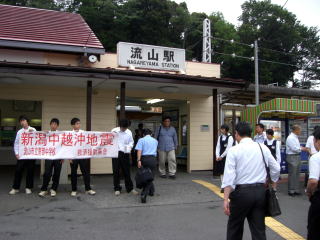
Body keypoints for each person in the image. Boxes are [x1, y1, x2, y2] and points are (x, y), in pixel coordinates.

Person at [222, 122, 280, 240]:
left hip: (241, 194)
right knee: (259, 230)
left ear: (237, 134)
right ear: (250, 133)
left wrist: (225, 199)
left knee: (235, 228)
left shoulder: (234, 150)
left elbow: (229, 177)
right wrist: (272, 183)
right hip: (260, 192)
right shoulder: (262, 147)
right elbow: (276, 168)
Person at [9, 115, 36, 195]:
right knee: (18, 171)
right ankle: (15, 188)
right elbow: (16, 143)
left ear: (27, 121)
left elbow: (37, 140)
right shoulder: (19, 132)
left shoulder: (33, 129)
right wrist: (16, 153)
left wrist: (33, 133)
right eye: (21, 121)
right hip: (22, 155)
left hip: (31, 155)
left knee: (30, 171)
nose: (22, 122)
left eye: (24, 120)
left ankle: (28, 188)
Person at [69, 118, 96, 197]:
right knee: (73, 173)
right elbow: (68, 147)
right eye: (77, 123)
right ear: (73, 125)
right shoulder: (69, 134)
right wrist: (69, 157)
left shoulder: (83, 133)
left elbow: (88, 143)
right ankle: (74, 190)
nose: (79, 125)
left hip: (82, 156)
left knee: (85, 173)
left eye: (79, 123)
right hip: (73, 156)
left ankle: (88, 189)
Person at [111, 119, 138, 196]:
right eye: (123, 127)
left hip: (125, 153)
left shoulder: (129, 132)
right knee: (116, 171)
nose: (124, 129)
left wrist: (128, 148)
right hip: (115, 153)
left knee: (126, 171)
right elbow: (110, 140)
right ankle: (117, 188)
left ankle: (130, 188)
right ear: (120, 126)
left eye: (125, 128)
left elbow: (131, 142)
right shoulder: (114, 131)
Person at [38, 118, 63, 197]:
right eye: (52, 124)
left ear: (57, 126)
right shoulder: (46, 133)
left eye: (55, 124)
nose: (53, 125)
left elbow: (63, 146)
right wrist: (43, 134)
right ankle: (44, 189)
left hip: (58, 156)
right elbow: (39, 141)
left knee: (57, 173)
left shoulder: (60, 134)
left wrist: (62, 157)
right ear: (50, 124)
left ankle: (53, 189)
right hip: (48, 156)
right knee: (47, 173)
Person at [135, 129, 158, 203]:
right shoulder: (155, 141)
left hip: (144, 159)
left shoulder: (141, 140)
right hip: (153, 159)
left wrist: (138, 160)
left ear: (143, 134)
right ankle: (151, 191)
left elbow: (139, 151)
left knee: (145, 176)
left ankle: (144, 193)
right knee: (150, 176)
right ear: (151, 134)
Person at [286, 125, 308, 197]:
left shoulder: (295, 137)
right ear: (296, 130)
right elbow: (294, 149)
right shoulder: (290, 138)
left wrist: (301, 148)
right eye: (299, 130)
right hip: (292, 157)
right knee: (292, 174)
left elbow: (297, 147)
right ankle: (291, 191)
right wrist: (302, 149)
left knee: (297, 174)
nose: (300, 131)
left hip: (297, 156)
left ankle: (296, 190)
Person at [306, 127, 320, 240]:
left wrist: (309, 193)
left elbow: (313, 181)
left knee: (314, 229)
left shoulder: (316, 158)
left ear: (317, 141)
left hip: (319, 199)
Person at [215, 124, 234, 192]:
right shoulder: (220, 137)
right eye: (221, 129)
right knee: (221, 172)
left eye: (222, 129)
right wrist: (217, 156)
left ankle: (228, 186)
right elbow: (218, 147)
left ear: (226, 130)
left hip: (227, 157)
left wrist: (221, 156)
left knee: (227, 172)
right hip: (220, 157)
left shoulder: (230, 137)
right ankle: (222, 186)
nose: (221, 130)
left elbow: (228, 148)